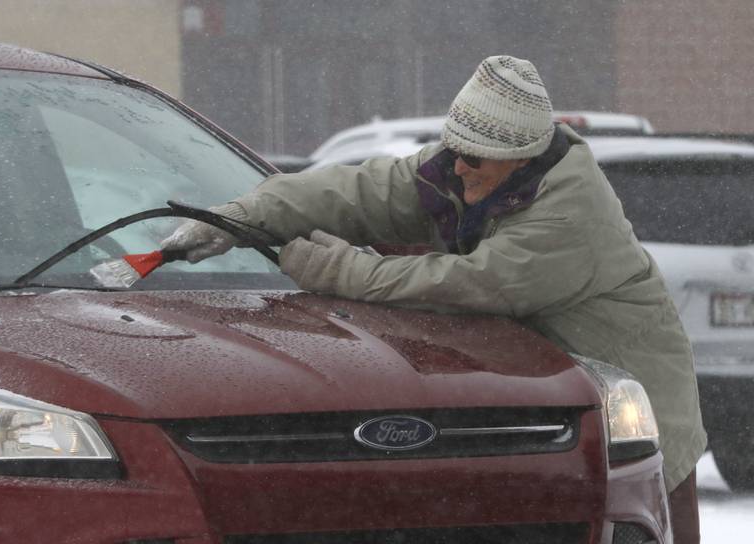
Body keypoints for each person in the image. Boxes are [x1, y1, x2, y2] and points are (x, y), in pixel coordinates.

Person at [162, 55, 706, 542]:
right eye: (457, 152)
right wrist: (242, 216)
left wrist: (334, 269)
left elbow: (463, 285)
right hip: (540, 396)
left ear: (522, 158)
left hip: (631, 413)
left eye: (477, 157)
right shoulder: (458, 171)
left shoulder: (570, 215)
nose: (460, 166)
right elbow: (356, 192)